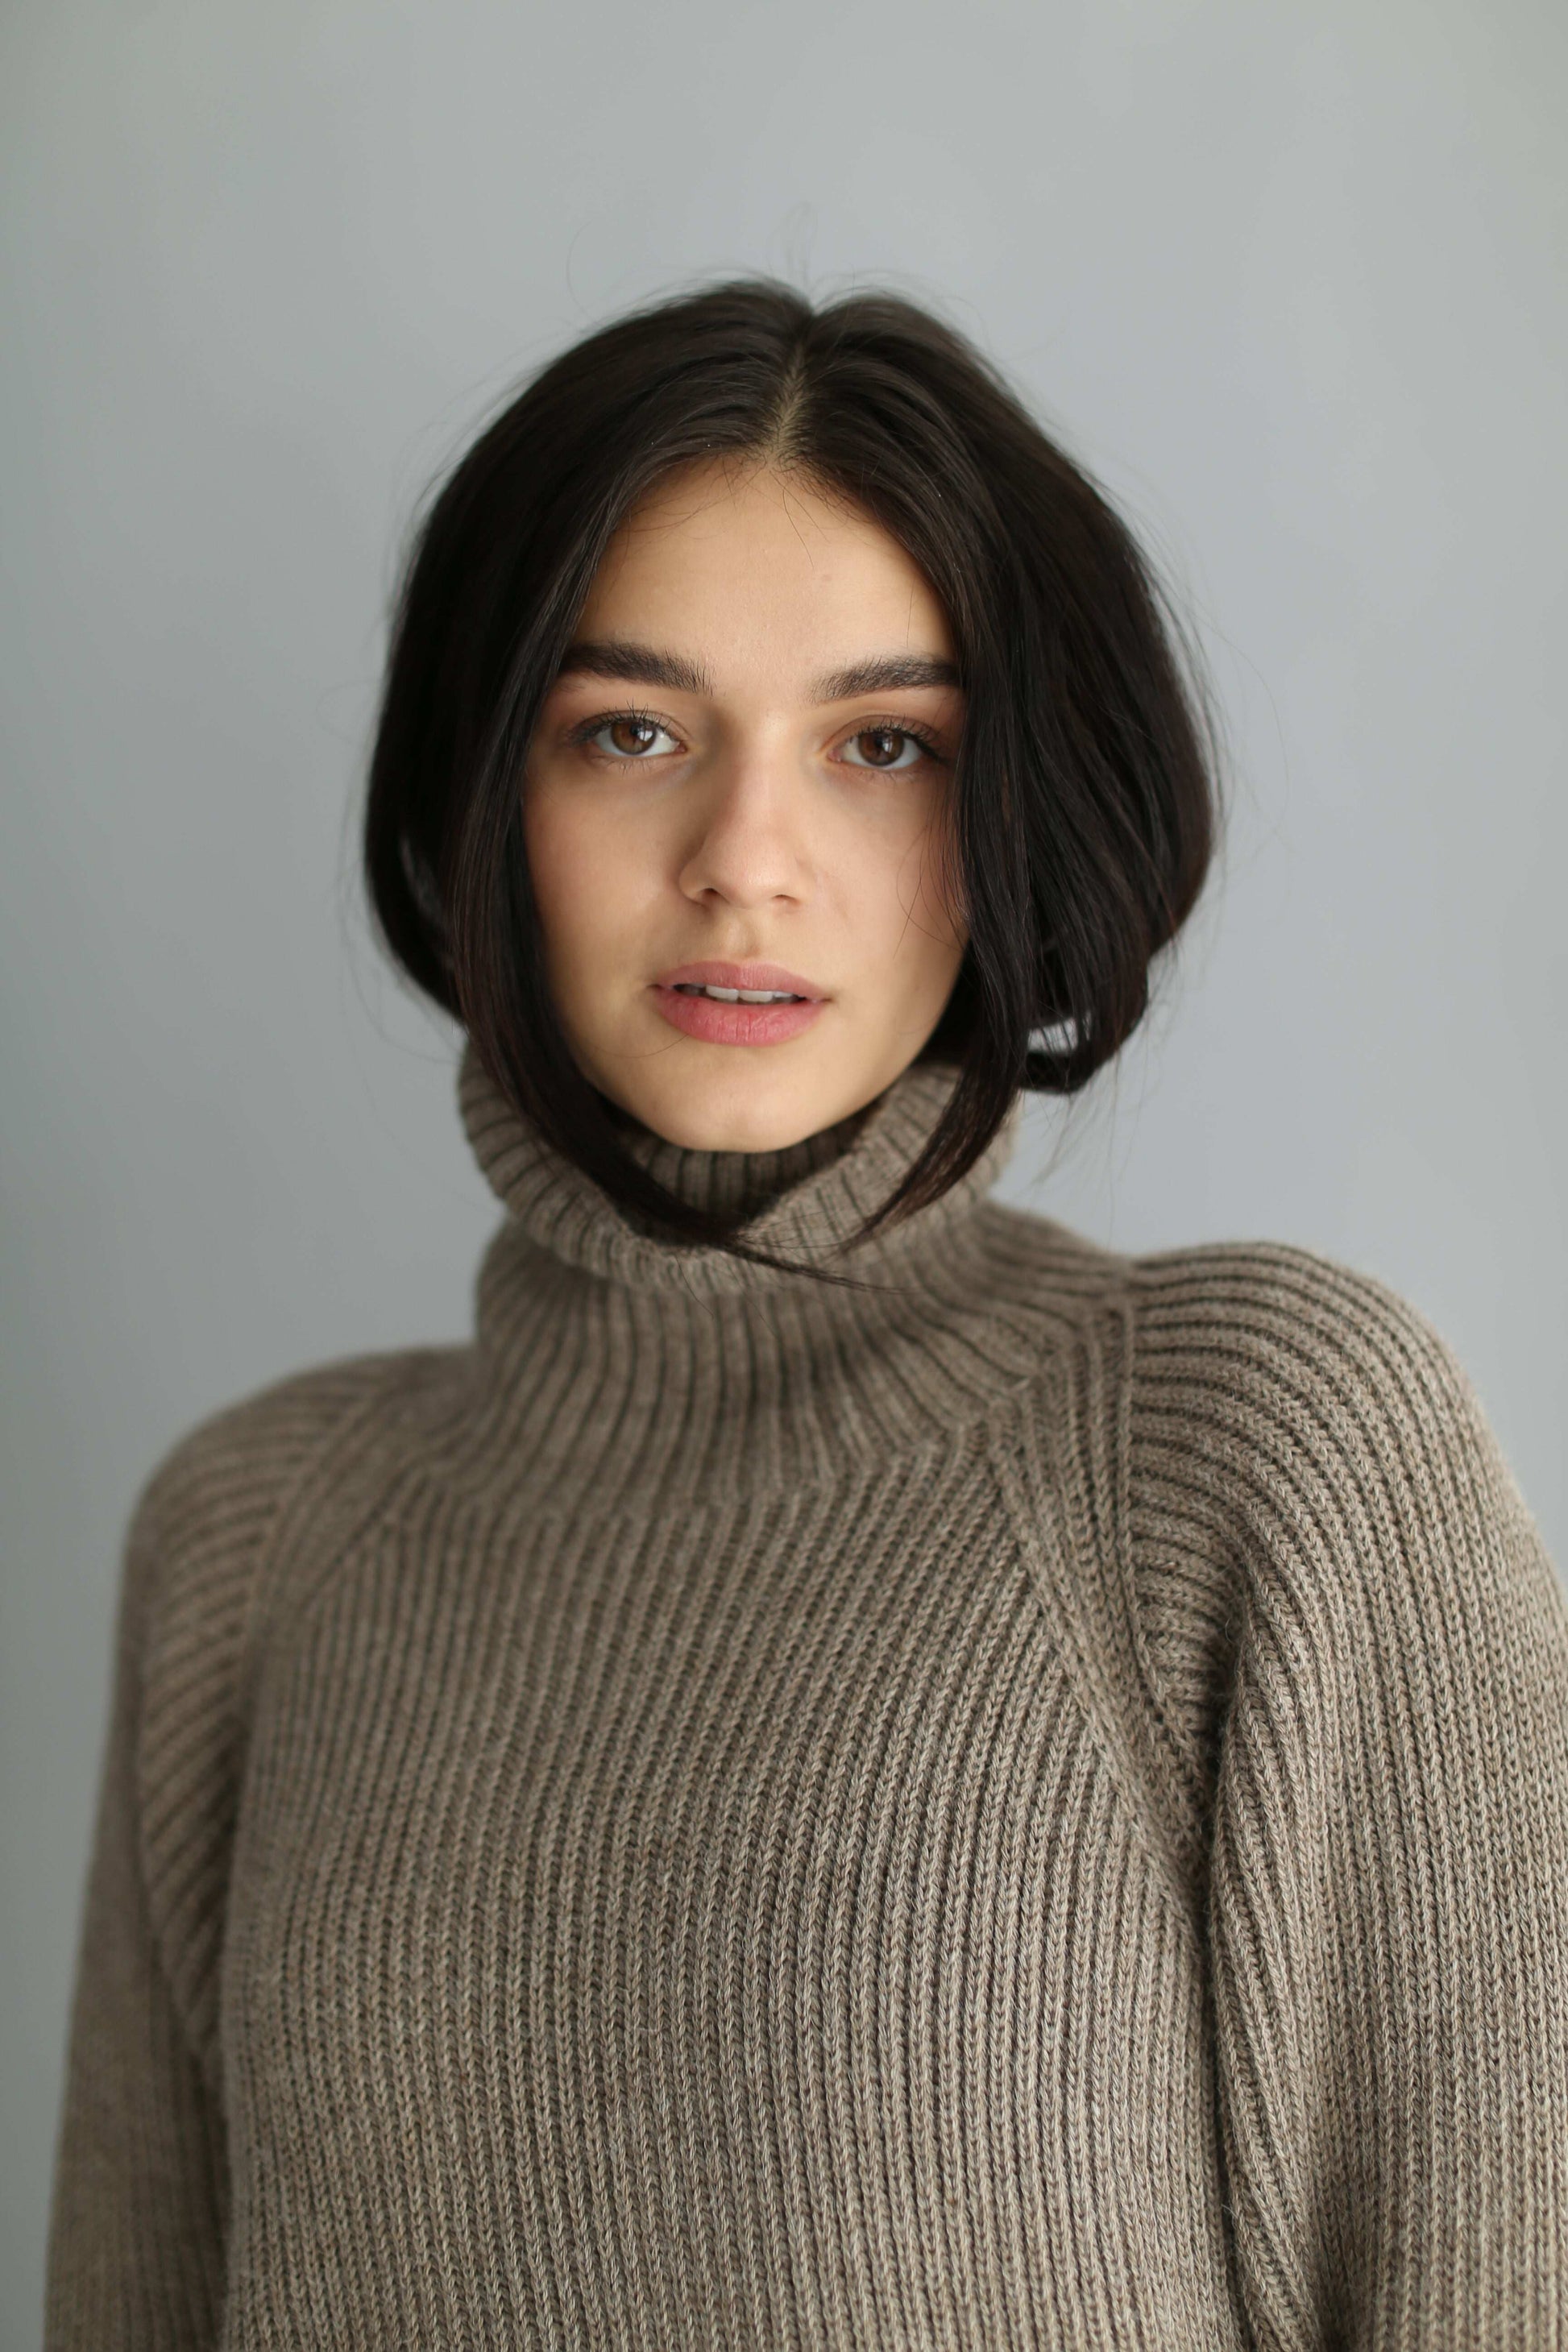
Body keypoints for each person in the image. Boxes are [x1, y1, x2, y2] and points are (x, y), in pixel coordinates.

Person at [44, 278, 1568, 2350]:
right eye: (632, 731)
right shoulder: (252, 1539)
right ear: (485, 796)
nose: (744, 860)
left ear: (1014, 804)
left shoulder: (1250, 1451)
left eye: (883, 745)